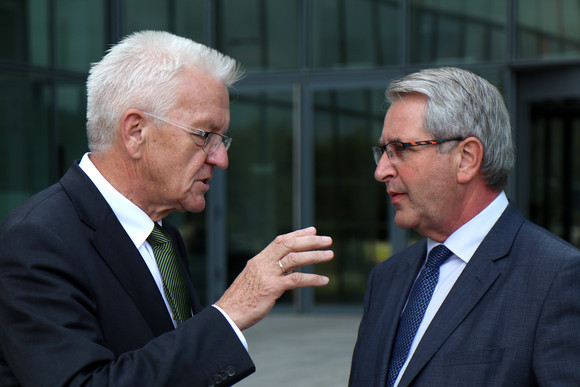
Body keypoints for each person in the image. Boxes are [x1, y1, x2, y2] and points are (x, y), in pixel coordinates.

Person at [0, 31, 334, 387]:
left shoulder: (162, 236)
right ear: (135, 132)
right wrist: (228, 314)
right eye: (205, 135)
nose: (220, 159)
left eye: (222, 140)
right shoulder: (36, 240)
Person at [349, 67, 580, 386]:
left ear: (467, 158)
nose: (382, 171)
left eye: (401, 149)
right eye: (383, 152)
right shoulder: (386, 277)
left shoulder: (556, 278)